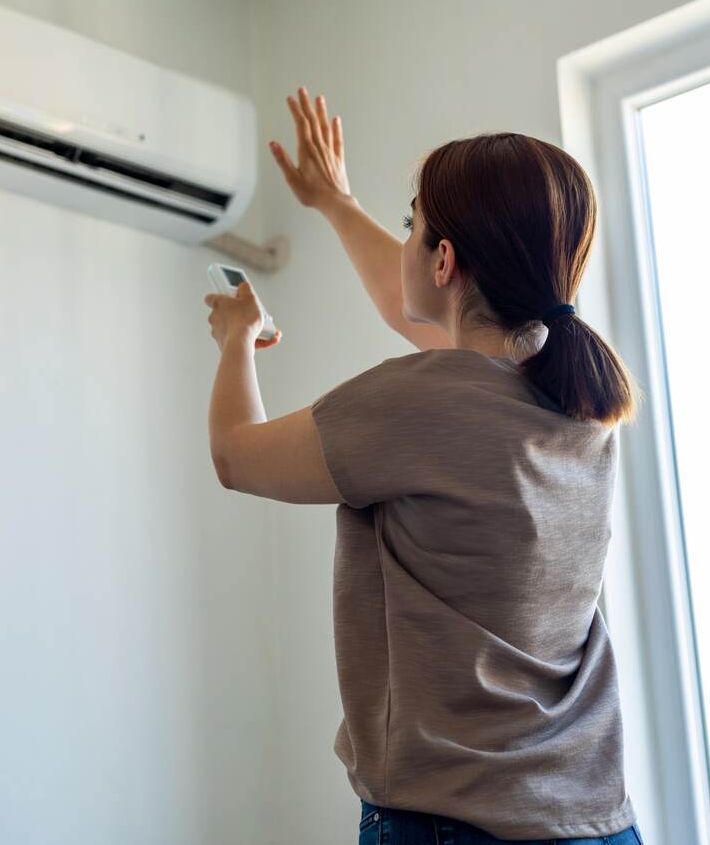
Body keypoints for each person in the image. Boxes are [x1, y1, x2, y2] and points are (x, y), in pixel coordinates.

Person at [203, 86, 645, 845]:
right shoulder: (575, 402)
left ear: (444, 260)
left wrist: (237, 341)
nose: (406, 242)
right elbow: (406, 301)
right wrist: (335, 203)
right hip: (594, 822)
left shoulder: (416, 404)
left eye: (414, 228)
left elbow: (235, 457)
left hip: (453, 826)